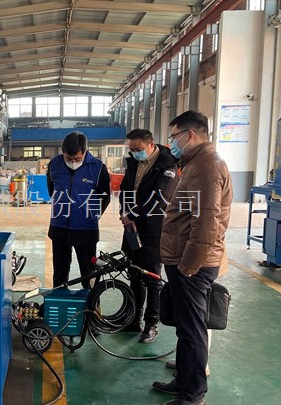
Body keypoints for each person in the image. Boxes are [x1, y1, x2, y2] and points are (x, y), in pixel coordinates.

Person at [152, 111, 232, 405]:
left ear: (190, 135)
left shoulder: (206, 167)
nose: (171, 143)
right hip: (183, 259)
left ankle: (193, 394)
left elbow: (207, 222)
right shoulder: (195, 163)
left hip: (192, 264)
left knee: (193, 331)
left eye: (173, 137)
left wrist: (189, 265)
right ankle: (184, 381)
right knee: (185, 328)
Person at [119, 129, 179, 343]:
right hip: (132, 228)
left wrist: (132, 215)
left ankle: (151, 324)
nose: (135, 153)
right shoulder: (133, 162)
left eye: (138, 149)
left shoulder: (167, 165)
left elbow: (160, 199)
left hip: (154, 229)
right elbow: (125, 189)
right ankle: (134, 319)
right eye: (132, 149)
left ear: (151, 144)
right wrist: (125, 213)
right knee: (135, 275)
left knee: (152, 278)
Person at [47, 131, 110, 289]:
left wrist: (93, 216)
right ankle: (60, 302)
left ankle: (91, 304)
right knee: (59, 275)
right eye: (69, 159)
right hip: (59, 228)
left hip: (86, 230)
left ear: (85, 151)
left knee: (89, 275)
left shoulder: (98, 168)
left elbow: (105, 197)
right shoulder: (54, 165)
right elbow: (52, 190)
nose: (73, 162)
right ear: (63, 152)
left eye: (77, 159)